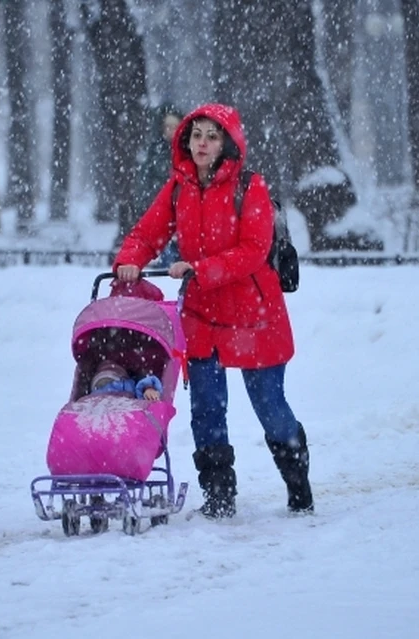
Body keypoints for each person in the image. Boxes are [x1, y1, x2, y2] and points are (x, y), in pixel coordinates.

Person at [112, 103, 313, 519]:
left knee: (270, 407)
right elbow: (146, 233)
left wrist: (200, 268)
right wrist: (129, 259)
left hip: (254, 314)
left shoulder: (250, 187)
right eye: (196, 134)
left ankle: (298, 486)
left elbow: (254, 251)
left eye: (211, 136)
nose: (201, 143)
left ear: (227, 145)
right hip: (203, 316)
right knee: (206, 408)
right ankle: (219, 497)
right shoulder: (179, 187)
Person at [132, 103, 184, 265]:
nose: (170, 130)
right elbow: (145, 181)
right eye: (167, 126)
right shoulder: (155, 151)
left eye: (174, 126)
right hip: (163, 211)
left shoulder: (189, 150)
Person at [90, 359, 162, 401]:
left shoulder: (126, 385)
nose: (107, 385)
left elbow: (141, 385)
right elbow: (141, 385)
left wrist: (148, 389)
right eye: (102, 384)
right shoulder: (127, 385)